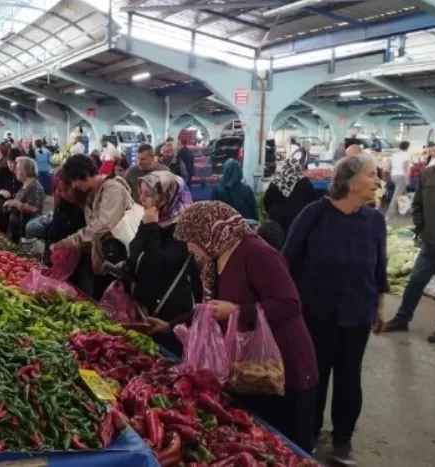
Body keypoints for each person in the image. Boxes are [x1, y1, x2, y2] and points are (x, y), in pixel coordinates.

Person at [153, 201, 318, 454]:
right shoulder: (218, 257)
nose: (189, 248)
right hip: (251, 372)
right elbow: (209, 308)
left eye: (191, 240)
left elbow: (289, 304)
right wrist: (169, 326)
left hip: (283, 368)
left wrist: (237, 311)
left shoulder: (256, 253)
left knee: (288, 446)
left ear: (210, 231)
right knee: (259, 443)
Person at [282, 153, 386, 464]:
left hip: (358, 313)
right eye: (371, 175)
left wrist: (379, 307)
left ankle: (343, 439)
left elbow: (379, 268)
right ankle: (308, 435)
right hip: (315, 313)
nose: (378, 181)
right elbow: (287, 261)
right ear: (350, 182)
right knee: (314, 377)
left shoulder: (375, 220)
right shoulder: (314, 214)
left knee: (349, 378)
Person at [128, 171, 200, 355]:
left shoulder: (185, 227)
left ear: (166, 196)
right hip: (147, 308)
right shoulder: (154, 219)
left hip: (170, 313)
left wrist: (151, 226)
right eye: (141, 193)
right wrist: (148, 226)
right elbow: (134, 253)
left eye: (147, 194)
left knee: (168, 358)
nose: (141, 199)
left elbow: (158, 264)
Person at [385, 134, 435, 342]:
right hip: (433, 239)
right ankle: (401, 319)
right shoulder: (428, 174)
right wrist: (421, 228)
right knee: (416, 280)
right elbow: (417, 204)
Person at [55, 155, 134, 299]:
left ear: (85, 174)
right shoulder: (91, 195)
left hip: (119, 259)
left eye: (74, 180)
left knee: (117, 301)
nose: (74, 186)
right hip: (102, 261)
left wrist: (72, 240)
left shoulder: (113, 189)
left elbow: (103, 224)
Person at [263, 157, 317, 238]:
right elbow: (314, 201)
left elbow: (266, 200)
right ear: (298, 168)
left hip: (276, 220)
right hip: (298, 220)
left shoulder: (275, 181)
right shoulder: (305, 182)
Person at [4, 157, 45, 244]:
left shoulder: (34, 187)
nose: (15, 171)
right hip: (18, 229)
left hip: (26, 234)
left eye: (18, 169)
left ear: (27, 170)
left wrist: (15, 204)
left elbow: (33, 208)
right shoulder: (25, 185)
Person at [0, 149, 21, 232]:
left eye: (15, 163)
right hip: (3, 205)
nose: (12, 165)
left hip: (18, 206)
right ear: (7, 161)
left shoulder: (22, 172)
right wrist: (1, 191)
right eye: (10, 162)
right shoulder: (2, 171)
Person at [385, 141, 411, 219]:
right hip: (401, 176)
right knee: (396, 196)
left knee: (404, 193)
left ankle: (408, 209)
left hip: (393, 175)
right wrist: (407, 179)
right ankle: (389, 214)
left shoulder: (395, 155)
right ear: (407, 147)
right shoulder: (406, 155)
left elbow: (389, 166)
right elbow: (405, 168)